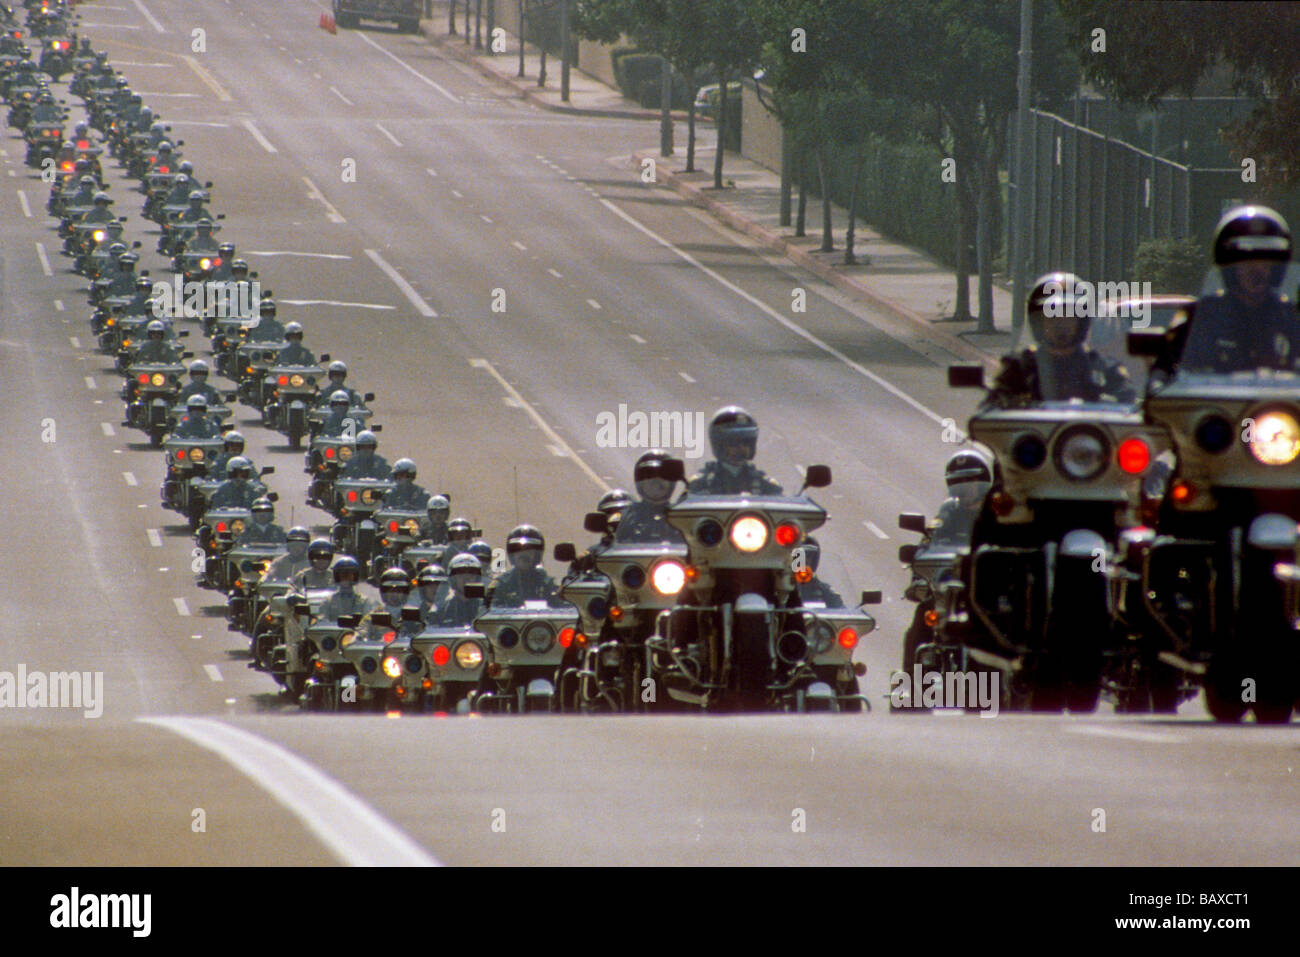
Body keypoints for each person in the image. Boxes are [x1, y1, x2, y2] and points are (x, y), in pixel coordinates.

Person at [1174, 205, 1299, 373]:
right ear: (1230, 268)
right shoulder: (1200, 319)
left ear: (1277, 269)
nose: (1256, 271)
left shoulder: (1291, 319)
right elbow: (1166, 375)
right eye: (1246, 263)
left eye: (1264, 263)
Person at [985, 272, 1136, 407]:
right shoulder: (1018, 369)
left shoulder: (1103, 370)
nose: (1061, 323)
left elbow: (1129, 407)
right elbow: (989, 413)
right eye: (1052, 316)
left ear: (1082, 321)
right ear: (1038, 322)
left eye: (1069, 316)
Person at [686, 406, 784, 495]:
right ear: (719, 446)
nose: (741, 448)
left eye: (746, 442)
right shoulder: (700, 484)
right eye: (733, 443)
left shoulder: (766, 485)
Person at [617, 450, 687, 544]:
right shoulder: (629, 515)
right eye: (649, 478)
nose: (656, 483)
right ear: (640, 484)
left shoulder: (680, 515)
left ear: (672, 484)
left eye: (662, 478)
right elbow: (617, 545)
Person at [486, 524, 564, 608]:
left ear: (537, 555)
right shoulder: (501, 585)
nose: (523, 555)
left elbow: (561, 608)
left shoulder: (548, 584)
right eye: (518, 550)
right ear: (512, 555)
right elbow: (488, 609)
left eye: (529, 551)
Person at [316, 556, 377, 623]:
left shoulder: (364, 601)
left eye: (349, 574)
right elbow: (323, 622)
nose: (346, 577)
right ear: (337, 576)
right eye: (343, 574)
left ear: (355, 576)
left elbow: (367, 623)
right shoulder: (328, 601)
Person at [435, 553, 485, 627]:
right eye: (461, 575)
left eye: (471, 576)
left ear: (477, 579)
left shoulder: (485, 609)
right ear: (453, 579)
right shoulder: (443, 610)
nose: (466, 579)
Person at [793, 537, 845, 607]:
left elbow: (841, 610)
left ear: (814, 560)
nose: (805, 561)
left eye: (808, 556)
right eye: (799, 556)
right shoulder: (780, 589)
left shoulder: (824, 590)